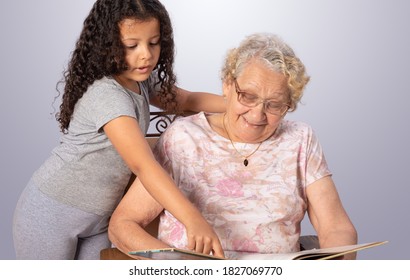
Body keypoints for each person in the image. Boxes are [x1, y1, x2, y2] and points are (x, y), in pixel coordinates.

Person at [108, 32, 358, 260]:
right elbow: (123, 224)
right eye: (248, 96)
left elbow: (336, 227)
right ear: (228, 85)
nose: (258, 114)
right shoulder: (184, 138)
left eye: (274, 105)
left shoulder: (300, 139)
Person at [12, 0, 226, 260]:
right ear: (107, 45)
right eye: (131, 46)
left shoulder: (142, 79)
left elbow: (188, 100)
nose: (146, 54)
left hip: (99, 218)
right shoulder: (107, 94)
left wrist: (238, 106)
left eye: (154, 42)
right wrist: (192, 219)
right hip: (52, 213)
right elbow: (143, 166)